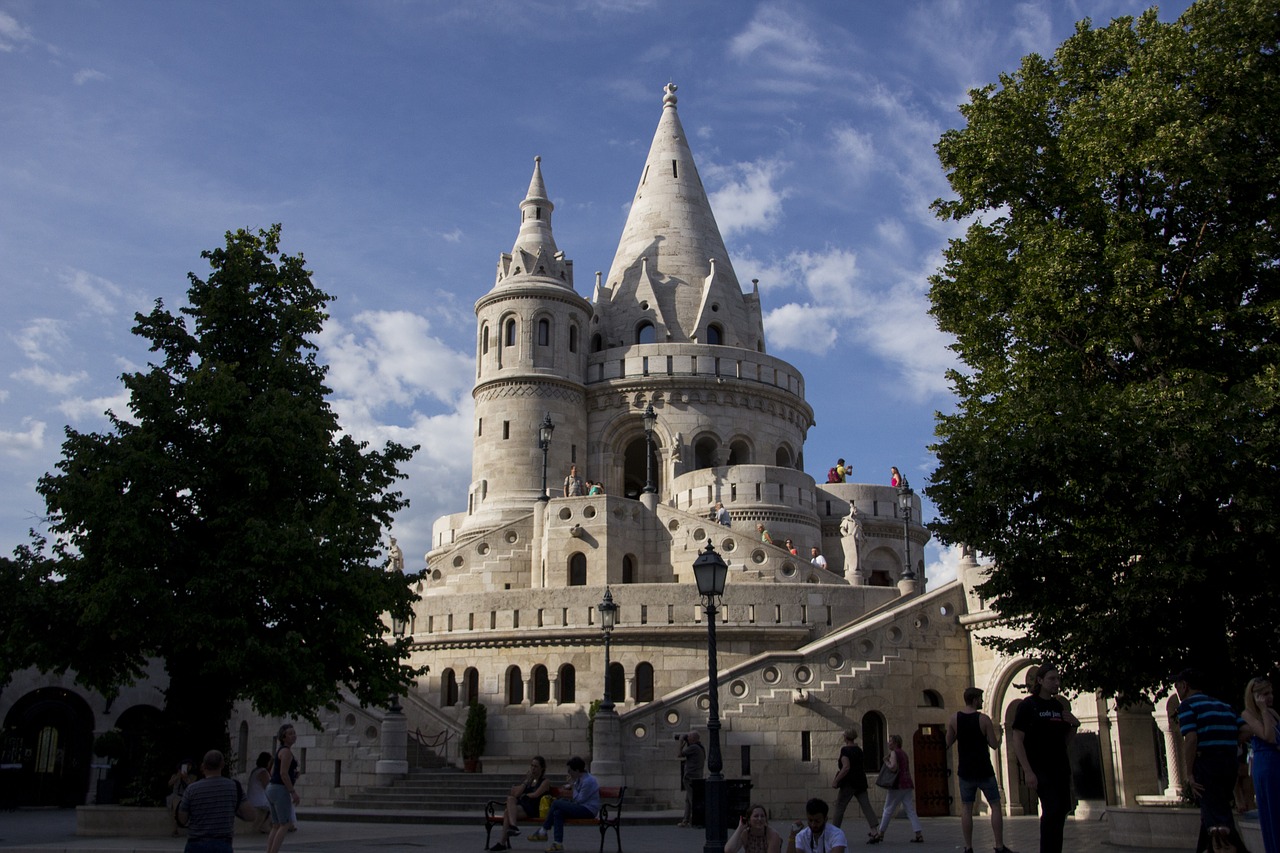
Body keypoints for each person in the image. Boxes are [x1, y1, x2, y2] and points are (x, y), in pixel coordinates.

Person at [1175, 668, 1250, 853]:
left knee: (1217, 819)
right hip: (1228, 764)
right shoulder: (1223, 705)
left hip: (1207, 765)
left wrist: (1190, 772)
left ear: (1184, 686)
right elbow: (1247, 730)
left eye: (1177, 685)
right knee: (1213, 809)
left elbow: (1191, 738)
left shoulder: (1187, 706)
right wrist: (1227, 743)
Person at [1011, 663, 1078, 853]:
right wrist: (1028, 770)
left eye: (1058, 678)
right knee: (1052, 809)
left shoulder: (1058, 706)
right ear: (1040, 681)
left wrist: (1074, 726)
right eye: (1052, 679)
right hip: (1040, 768)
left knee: (1062, 809)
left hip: (1060, 768)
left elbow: (1064, 742)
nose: (1057, 682)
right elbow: (1017, 738)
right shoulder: (1028, 706)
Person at [947, 687, 1014, 853]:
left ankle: (968, 846)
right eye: (981, 699)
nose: (982, 702)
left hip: (965, 770)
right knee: (995, 805)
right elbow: (993, 744)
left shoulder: (955, 719)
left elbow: (948, 742)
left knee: (966, 808)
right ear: (975, 699)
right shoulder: (984, 720)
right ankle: (999, 845)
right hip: (984, 769)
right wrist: (998, 738)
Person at [177, 749, 255, 853]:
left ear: (203, 766)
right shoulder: (234, 787)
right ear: (222, 765)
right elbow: (250, 815)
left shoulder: (192, 789)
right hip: (222, 844)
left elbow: (182, 819)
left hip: (196, 844)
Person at [529, 756, 600, 853]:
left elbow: (578, 799)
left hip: (588, 810)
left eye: (570, 771)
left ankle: (544, 830)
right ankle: (557, 843)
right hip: (581, 807)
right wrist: (570, 785)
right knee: (558, 812)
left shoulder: (588, 781)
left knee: (556, 803)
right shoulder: (581, 777)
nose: (569, 773)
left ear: (577, 770)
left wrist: (573, 784)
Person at [1243, 677, 1279, 853]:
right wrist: (1263, 710)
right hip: (1266, 766)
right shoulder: (1248, 714)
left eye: (1270, 693)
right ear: (1256, 696)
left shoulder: (1274, 714)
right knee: (1272, 812)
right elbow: (1268, 736)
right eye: (1265, 694)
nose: (1269, 697)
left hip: (1276, 761)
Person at [488, 755, 552, 851]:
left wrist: (525, 795)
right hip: (523, 806)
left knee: (507, 812)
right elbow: (516, 794)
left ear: (542, 768)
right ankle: (511, 829)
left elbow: (535, 794)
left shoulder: (545, 781)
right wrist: (526, 782)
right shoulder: (530, 781)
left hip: (534, 808)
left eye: (535, 766)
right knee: (509, 802)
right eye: (532, 766)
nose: (533, 769)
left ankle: (503, 841)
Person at [868, 734, 924, 844]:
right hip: (907, 784)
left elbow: (893, 768)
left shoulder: (894, 753)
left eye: (891, 741)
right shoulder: (903, 753)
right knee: (910, 810)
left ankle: (881, 833)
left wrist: (886, 762)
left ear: (896, 743)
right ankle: (918, 834)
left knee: (888, 809)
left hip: (897, 785)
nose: (889, 743)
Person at [830, 728, 877, 835]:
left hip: (849, 783)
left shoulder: (845, 750)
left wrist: (836, 781)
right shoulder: (859, 750)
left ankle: (833, 832)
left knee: (840, 806)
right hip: (860, 781)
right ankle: (874, 831)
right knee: (866, 805)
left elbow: (846, 767)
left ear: (846, 737)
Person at [266, 723, 301, 853]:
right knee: (285, 824)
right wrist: (293, 792)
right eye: (290, 733)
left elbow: (273, 771)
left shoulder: (279, 751)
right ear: (283, 736)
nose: (293, 735)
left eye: (294, 733)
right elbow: (283, 773)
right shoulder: (286, 752)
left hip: (272, 788)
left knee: (275, 825)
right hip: (280, 789)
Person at [677, 731, 706, 827]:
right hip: (697, 776)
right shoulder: (700, 748)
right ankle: (685, 820)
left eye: (688, 737)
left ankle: (698, 820)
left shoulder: (693, 748)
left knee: (692, 799)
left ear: (693, 739)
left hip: (690, 777)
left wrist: (681, 741)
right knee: (688, 800)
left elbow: (679, 754)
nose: (687, 738)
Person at [245, 751, 271, 833]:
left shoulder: (255, 770)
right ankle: (265, 825)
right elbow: (268, 787)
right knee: (278, 803)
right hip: (259, 800)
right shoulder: (263, 772)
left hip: (252, 798)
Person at [168, 759, 196, 834]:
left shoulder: (192, 777)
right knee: (175, 804)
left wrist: (186, 778)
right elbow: (170, 784)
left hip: (186, 796)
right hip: (176, 795)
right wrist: (178, 776)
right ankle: (175, 828)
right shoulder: (175, 775)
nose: (188, 767)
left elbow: (192, 786)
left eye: (190, 766)